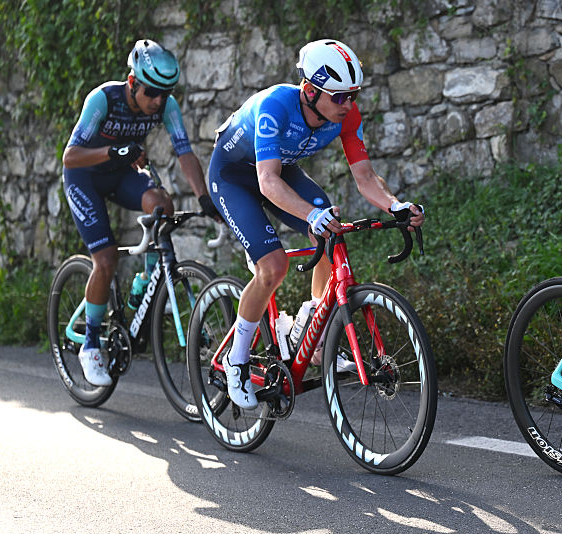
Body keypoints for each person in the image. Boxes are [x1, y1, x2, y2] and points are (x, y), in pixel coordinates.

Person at [209, 38, 424, 409]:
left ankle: (311, 324)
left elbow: (366, 177)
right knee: (273, 266)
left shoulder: (346, 116)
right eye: (339, 97)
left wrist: (396, 206)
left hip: (280, 171)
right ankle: (236, 358)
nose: (349, 105)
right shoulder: (275, 106)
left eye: (353, 95)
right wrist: (309, 214)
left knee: (330, 225)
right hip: (235, 177)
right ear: (309, 91)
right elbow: (267, 182)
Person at [63, 39, 221, 387]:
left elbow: (185, 153)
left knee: (162, 203)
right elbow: (70, 157)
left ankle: (146, 284)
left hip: (121, 176)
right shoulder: (102, 99)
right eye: (152, 93)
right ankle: (90, 345)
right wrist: (114, 150)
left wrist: (204, 196)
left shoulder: (164, 105)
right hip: (85, 177)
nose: (159, 102)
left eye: (165, 93)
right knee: (105, 260)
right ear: (132, 83)